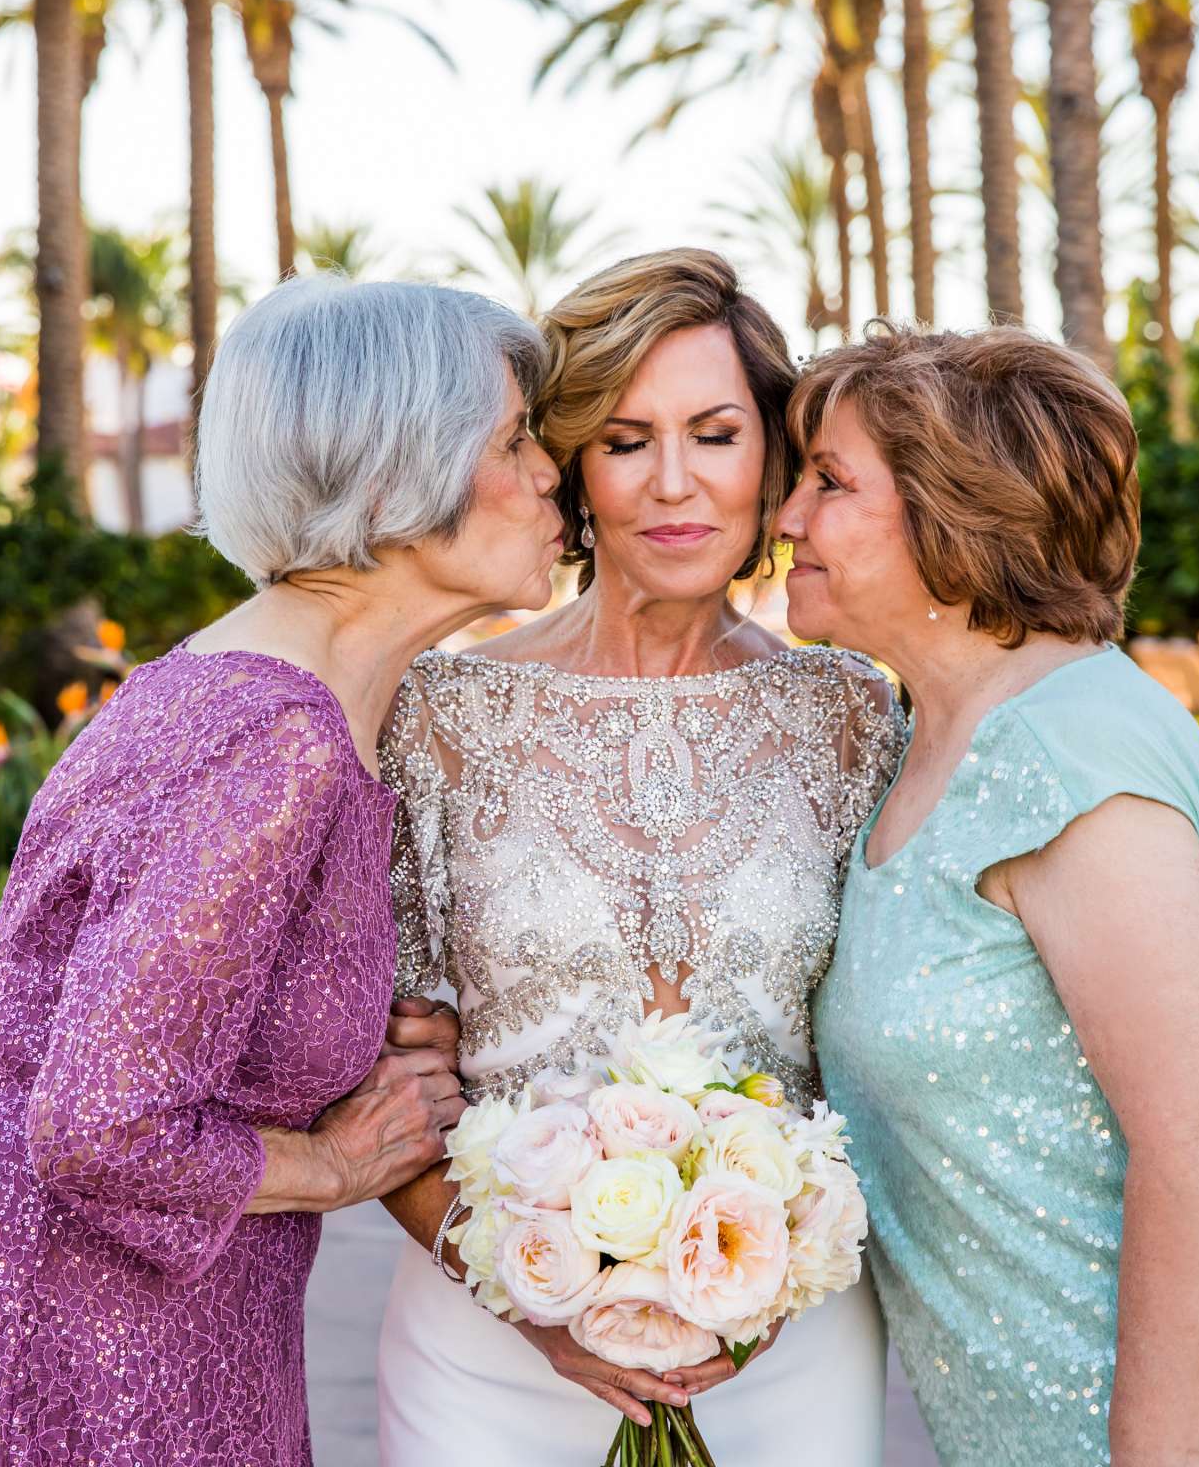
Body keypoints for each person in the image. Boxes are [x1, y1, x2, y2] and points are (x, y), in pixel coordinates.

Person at [0, 276, 565, 1467]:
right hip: (69, 1326)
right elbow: (104, 1124)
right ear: (391, 480)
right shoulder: (272, 737)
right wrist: (335, 1163)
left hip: (104, 1294)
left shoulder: (288, 698)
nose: (550, 474)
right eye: (516, 440)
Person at [789, 325, 1199, 1467]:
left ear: (956, 515)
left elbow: (1195, 1140)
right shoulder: (924, 737)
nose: (787, 517)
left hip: (1190, 1431)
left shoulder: (1071, 751)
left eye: (830, 482)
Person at [370, 249, 906, 1466]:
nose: (675, 484)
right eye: (625, 440)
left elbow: (876, 1043)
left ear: (770, 455)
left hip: (783, 1341)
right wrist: (524, 1290)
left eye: (715, 434)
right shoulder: (445, 715)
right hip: (491, 1339)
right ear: (570, 467)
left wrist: (773, 1275)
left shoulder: (852, 714)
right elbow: (392, 1058)